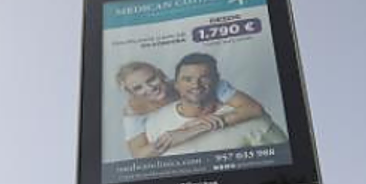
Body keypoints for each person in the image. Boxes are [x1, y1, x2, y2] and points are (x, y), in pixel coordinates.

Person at [115, 59, 268, 159]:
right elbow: (139, 154)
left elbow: (254, 109)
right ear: (130, 92)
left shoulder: (196, 85)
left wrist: (197, 127)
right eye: (138, 88)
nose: (150, 88)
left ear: (160, 74)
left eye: (151, 79)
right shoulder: (133, 111)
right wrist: (178, 135)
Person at [142, 52, 287, 156]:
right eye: (187, 79)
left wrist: (195, 129)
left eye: (204, 78)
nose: (196, 85)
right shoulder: (155, 121)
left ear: (217, 80)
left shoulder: (253, 121)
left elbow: (284, 163)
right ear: (176, 84)